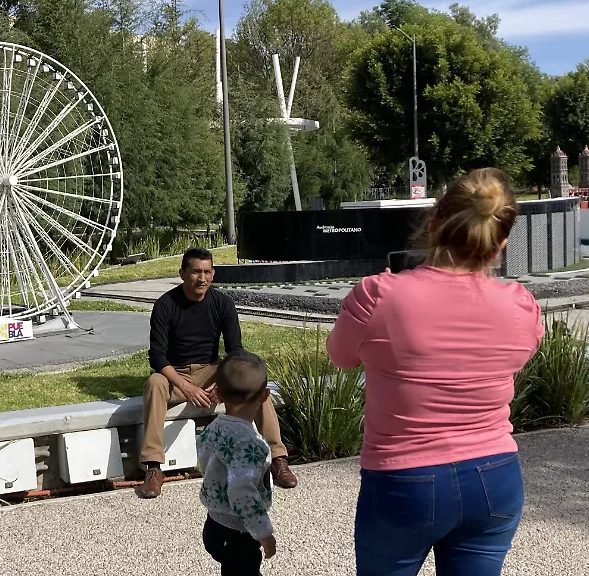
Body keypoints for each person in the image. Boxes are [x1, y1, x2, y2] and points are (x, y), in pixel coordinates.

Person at [327, 168, 545, 576]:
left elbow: (341, 356)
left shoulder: (378, 295)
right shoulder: (521, 306)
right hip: (495, 475)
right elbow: (522, 352)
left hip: (403, 478)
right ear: (500, 245)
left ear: (433, 223)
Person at [137, 247, 297, 499]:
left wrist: (223, 382)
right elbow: (157, 357)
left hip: (212, 369)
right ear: (182, 273)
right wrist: (188, 388)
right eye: (196, 272)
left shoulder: (222, 303)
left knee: (255, 383)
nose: (202, 278)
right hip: (176, 376)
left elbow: (235, 351)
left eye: (207, 272)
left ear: (213, 274)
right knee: (155, 383)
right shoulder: (165, 305)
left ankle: (278, 459)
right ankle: (154, 467)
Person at [198, 352, 278, 575]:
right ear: (265, 395)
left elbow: (203, 457)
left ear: (219, 395)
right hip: (237, 530)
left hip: (214, 523)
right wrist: (262, 531)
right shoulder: (250, 443)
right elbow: (241, 490)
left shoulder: (214, 428)